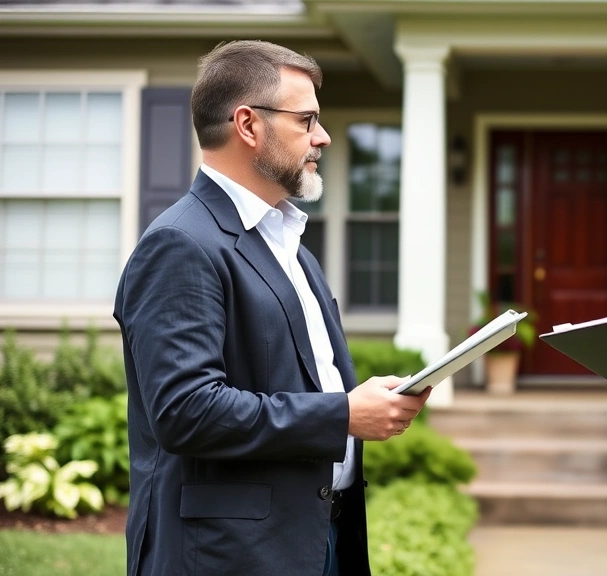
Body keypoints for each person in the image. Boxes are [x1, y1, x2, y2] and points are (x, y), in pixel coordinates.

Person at [114, 40, 430, 576]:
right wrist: (345, 414)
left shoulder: (292, 248)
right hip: (229, 556)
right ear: (248, 125)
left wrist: (365, 403)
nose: (323, 137)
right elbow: (185, 412)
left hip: (319, 536)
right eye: (307, 120)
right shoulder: (180, 244)